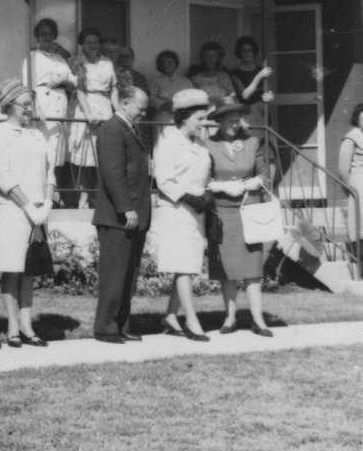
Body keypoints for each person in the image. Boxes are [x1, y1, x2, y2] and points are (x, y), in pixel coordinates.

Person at [0, 79, 54, 348]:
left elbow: (50, 171)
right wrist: (28, 207)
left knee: (29, 269)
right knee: (12, 269)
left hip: (39, 210)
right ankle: (13, 327)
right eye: (25, 104)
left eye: (31, 104)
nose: (30, 109)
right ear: (9, 105)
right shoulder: (1, 134)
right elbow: (4, 177)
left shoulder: (37, 133)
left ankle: (28, 327)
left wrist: (46, 203)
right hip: (15, 210)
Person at [205, 104, 272, 337]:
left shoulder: (253, 142)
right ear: (220, 121)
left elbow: (264, 174)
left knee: (253, 268)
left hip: (249, 210)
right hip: (223, 211)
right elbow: (203, 178)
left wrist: (252, 183)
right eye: (231, 120)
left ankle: (258, 319)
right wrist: (221, 186)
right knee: (228, 269)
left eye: (239, 120)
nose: (236, 124)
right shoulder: (207, 144)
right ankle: (230, 318)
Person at [153, 89, 214, 342]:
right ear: (184, 116)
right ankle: (191, 320)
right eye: (199, 119)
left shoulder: (200, 145)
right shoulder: (167, 141)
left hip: (196, 211)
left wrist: (207, 196)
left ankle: (170, 315)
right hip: (177, 211)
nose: (203, 124)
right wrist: (191, 199)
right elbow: (164, 181)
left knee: (188, 265)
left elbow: (206, 177)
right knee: (183, 267)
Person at [92, 86, 151, 344]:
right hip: (118, 217)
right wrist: (126, 208)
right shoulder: (111, 130)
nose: (144, 113)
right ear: (125, 104)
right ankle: (106, 327)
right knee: (114, 275)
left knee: (128, 274)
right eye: (141, 108)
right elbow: (113, 174)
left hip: (133, 214)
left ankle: (121, 324)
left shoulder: (127, 129)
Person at [69, 28, 118, 209]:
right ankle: (84, 196)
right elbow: (80, 89)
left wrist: (117, 110)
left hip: (104, 105)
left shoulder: (107, 62)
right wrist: (88, 113)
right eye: (89, 42)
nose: (93, 45)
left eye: (96, 42)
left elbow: (113, 89)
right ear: (82, 44)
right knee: (83, 154)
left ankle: (101, 196)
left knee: (102, 154)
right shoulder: (78, 61)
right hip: (85, 105)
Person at [30, 18, 76, 207]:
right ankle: (42, 193)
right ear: (37, 36)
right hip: (43, 102)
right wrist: (36, 107)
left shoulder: (60, 59)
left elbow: (74, 81)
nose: (46, 37)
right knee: (45, 149)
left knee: (58, 151)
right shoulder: (32, 57)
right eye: (43, 34)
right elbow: (29, 85)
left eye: (50, 34)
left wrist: (63, 82)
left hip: (60, 103)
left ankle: (54, 193)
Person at [229, 36, 274, 138]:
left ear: (254, 52)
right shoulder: (236, 72)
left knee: (268, 144)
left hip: (263, 111)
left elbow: (269, 90)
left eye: (250, 50)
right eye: (243, 50)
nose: (247, 53)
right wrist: (258, 76)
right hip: (249, 113)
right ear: (239, 52)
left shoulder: (260, 69)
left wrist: (270, 96)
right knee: (254, 142)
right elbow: (245, 95)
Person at [149, 50, 192, 148]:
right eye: (165, 61)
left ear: (176, 63)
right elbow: (151, 99)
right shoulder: (155, 81)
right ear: (160, 65)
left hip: (182, 120)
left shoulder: (185, 81)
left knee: (182, 148)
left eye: (171, 61)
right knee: (162, 148)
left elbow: (193, 98)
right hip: (163, 120)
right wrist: (166, 105)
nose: (168, 64)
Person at [338, 104, 363, 259]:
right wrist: (352, 187)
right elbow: (343, 170)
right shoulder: (352, 137)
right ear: (357, 119)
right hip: (359, 181)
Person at [188, 41, 237, 109]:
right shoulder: (195, 79)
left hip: (223, 113)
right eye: (207, 56)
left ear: (217, 58)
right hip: (204, 115)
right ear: (203, 58)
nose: (210, 59)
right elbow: (193, 102)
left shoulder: (224, 77)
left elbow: (233, 97)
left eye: (213, 56)